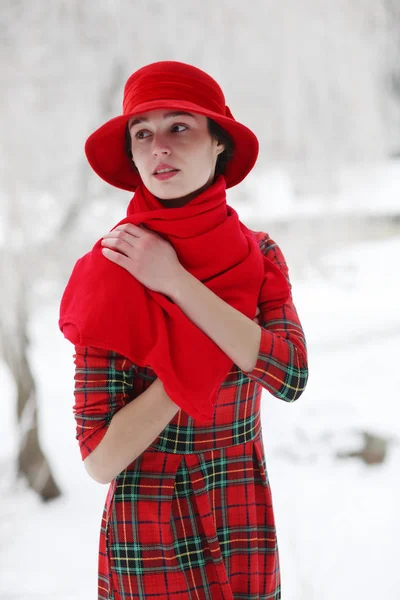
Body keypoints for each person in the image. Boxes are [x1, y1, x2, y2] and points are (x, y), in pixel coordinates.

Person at [59, 60, 308, 600]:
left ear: (219, 141)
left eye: (179, 127)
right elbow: (99, 459)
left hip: (243, 513)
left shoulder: (260, 256)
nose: (158, 148)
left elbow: (290, 376)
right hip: (151, 531)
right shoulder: (110, 270)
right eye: (142, 134)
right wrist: (196, 358)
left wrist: (174, 281)